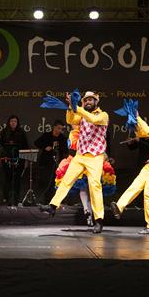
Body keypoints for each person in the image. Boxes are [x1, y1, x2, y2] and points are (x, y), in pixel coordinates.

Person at [44, 91, 109, 233]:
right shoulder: (81, 114)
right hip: (81, 154)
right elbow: (70, 120)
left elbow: (93, 119)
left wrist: (76, 107)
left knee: (95, 186)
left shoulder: (103, 115)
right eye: (85, 100)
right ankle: (53, 206)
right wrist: (70, 106)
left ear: (96, 102)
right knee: (67, 180)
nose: (88, 102)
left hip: (95, 156)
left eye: (91, 100)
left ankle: (99, 220)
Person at [110, 100, 149, 234]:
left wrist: (137, 116)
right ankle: (119, 207)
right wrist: (134, 123)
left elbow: (148, 131)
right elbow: (143, 133)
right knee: (135, 185)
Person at [0, 114, 29, 206]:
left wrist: (25, 160)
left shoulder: (21, 132)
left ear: (17, 122)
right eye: (11, 121)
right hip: (6, 159)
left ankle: (17, 198)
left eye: (15, 121)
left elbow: (26, 146)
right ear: (9, 122)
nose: (13, 123)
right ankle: (5, 198)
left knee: (17, 179)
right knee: (7, 179)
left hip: (19, 160)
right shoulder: (4, 132)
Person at [33, 120, 68, 203]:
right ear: (54, 127)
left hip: (58, 162)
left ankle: (55, 200)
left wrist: (60, 148)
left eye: (61, 129)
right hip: (46, 162)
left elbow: (65, 150)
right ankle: (45, 200)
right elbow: (36, 142)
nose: (59, 130)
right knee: (47, 181)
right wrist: (45, 147)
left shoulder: (62, 138)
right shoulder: (47, 135)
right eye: (58, 128)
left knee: (56, 182)